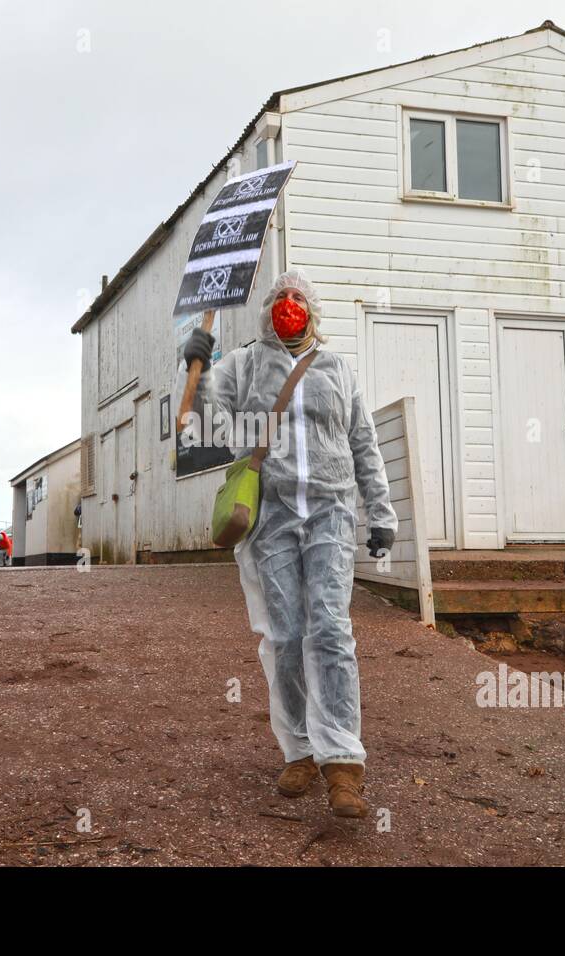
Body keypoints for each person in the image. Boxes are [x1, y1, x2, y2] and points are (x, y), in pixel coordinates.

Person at [178, 268, 397, 818]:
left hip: (331, 510)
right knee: (285, 633)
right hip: (270, 515)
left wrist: (382, 514)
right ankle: (299, 750)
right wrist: (195, 358)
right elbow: (197, 420)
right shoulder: (245, 364)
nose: (289, 305)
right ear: (266, 311)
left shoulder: (338, 368)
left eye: (298, 298)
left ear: (313, 310)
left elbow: (363, 443)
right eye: (280, 298)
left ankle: (343, 761)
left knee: (330, 627)